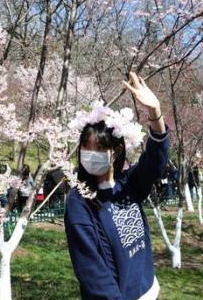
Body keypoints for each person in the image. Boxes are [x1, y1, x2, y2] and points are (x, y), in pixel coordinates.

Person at [65, 72, 169, 300]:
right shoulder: (79, 202)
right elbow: (93, 274)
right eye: (86, 148)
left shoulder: (127, 185)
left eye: (100, 149)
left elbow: (155, 160)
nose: (91, 155)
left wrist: (155, 112)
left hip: (150, 291)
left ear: (117, 151)